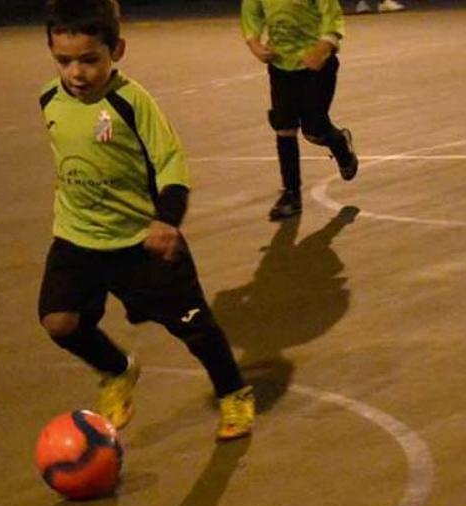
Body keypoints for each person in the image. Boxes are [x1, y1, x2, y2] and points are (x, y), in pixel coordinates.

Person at [38, 0, 254, 440]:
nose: (76, 72)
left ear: (117, 50)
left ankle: (234, 392)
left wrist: (166, 220)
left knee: (195, 326)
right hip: (78, 239)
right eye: (64, 61)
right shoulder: (49, 99)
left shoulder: (131, 103)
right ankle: (117, 370)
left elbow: (171, 162)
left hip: (140, 241)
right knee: (59, 321)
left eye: (89, 60)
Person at [242, 0, 359, 221]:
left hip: (317, 66)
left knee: (314, 130)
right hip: (281, 65)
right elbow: (252, 15)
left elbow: (331, 17)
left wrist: (322, 48)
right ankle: (291, 193)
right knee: (284, 128)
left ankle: (340, 145)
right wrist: (255, 45)